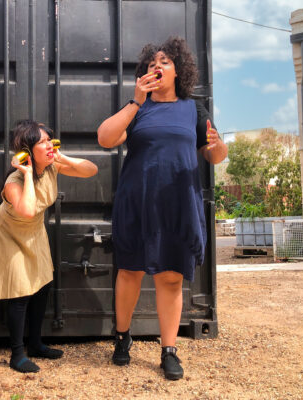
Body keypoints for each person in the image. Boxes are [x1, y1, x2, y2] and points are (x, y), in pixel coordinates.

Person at [97, 36, 228, 380]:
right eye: (152, 62)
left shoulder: (193, 109)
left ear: (179, 71)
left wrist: (217, 146)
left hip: (177, 204)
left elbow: (213, 154)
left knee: (170, 278)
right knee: (130, 272)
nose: (158, 65)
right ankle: (122, 338)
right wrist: (135, 102)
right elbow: (106, 138)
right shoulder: (137, 108)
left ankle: (168, 350)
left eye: (166, 61)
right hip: (137, 202)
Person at [0, 120, 98, 373]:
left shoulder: (53, 166)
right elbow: (28, 210)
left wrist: (62, 156)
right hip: (10, 235)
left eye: (49, 140)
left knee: (42, 286)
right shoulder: (15, 181)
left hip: (34, 233)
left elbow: (91, 170)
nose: (48, 145)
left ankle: (35, 344)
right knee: (19, 293)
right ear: (27, 151)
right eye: (42, 142)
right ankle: (17, 354)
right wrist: (29, 173)